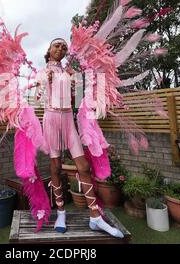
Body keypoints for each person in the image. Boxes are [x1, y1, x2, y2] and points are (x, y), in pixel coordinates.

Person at [35, 38, 124, 238]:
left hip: (68, 119)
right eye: (56, 45)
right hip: (51, 118)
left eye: (64, 46)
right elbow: (37, 98)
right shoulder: (42, 72)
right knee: (56, 167)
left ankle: (95, 217)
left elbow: (81, 97)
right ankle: (61, 213)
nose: (61, 48)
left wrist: (76, 80)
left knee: (83, 167)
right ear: (49, 50)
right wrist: (44, 82)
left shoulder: (69, 72)